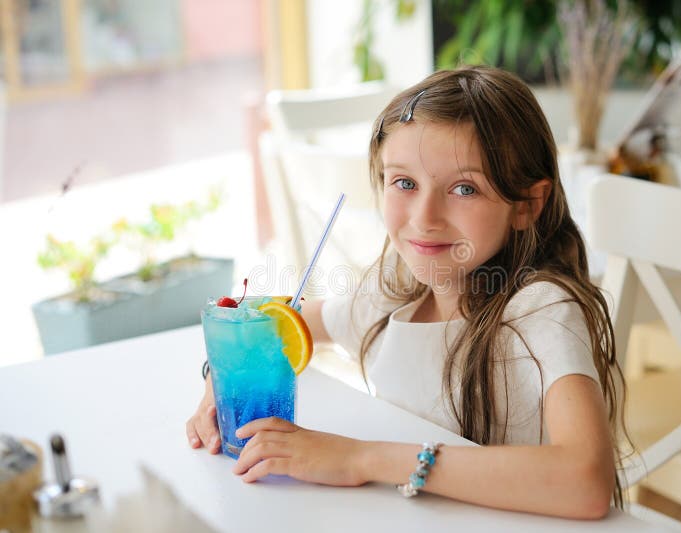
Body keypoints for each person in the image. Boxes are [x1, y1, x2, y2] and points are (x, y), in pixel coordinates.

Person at [186, 65, 628, 519]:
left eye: (463, 188)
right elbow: (266, 321)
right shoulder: (398, 290)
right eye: (404, 183)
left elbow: (586, 480)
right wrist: (222, 378)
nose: (424, 216)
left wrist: (358, 459)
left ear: (527, 205)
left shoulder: (539, 308)